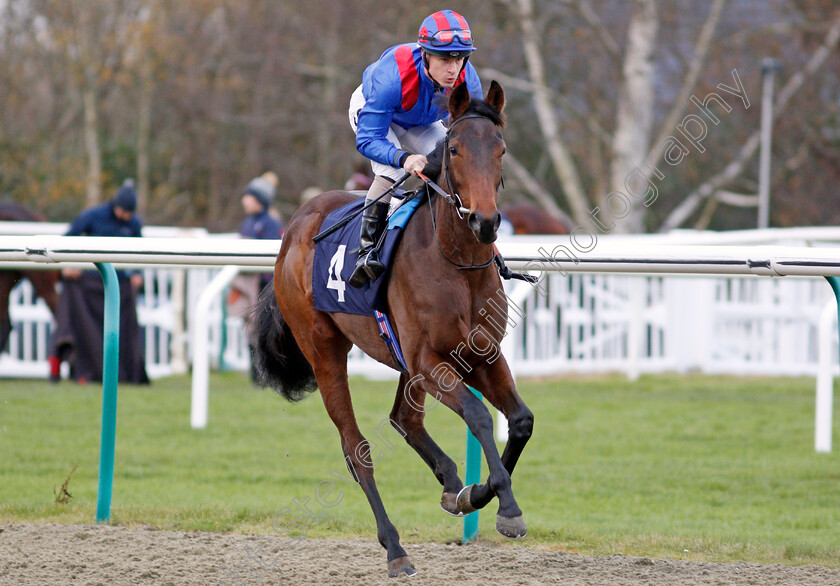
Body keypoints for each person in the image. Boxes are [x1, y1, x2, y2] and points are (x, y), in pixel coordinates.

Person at [347, 9, 482, 287]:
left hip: (421, 120)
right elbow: (368, 140)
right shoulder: (392, 77)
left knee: (452, 162)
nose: (453, 69)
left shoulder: (468, 79)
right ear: (425, 55)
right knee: (392, 173)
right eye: (445, 59)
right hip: (376, 114)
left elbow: (472, 136)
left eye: (459, 59)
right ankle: (365, 253)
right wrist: (403, 158)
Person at [49, 179, 149, 384]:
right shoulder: (92, 216)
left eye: (130, 213)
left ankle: (124, 373)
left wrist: (138, 272)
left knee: (124, 331)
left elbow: (140, 251)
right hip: (89, 284)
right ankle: (74, 369)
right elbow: (68, 238)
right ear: (115, 205)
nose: (126, 217)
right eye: (124, 212)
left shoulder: (134, 224)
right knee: (73, 318)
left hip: (119, 286)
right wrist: (68, 264)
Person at [227, 172, 284, 382]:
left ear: (260, 200)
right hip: (250, 285)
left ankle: (267, 374)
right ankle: (255, 375)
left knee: (265, 331)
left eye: (249, 196)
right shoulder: (248, 223)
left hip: (265, 286)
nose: (245, 200)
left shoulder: (270, 224)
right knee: (251, 331)